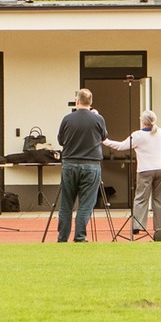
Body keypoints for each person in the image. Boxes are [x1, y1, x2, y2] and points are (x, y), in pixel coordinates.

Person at [103, 110, 161, 235]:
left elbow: (121, 146)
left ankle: (137, 225)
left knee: (141, 198)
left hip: (145, 170)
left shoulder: (138, 135)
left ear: (142, 121)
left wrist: (105, 141)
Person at [54, 88, 108, 243]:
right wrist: (97, 116)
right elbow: (104, 136)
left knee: (66, 204)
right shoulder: (98, 119)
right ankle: (80, 237)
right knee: (86, 203)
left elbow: (60, 140)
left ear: (77, 101)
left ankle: (62, 237)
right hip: (91, 164)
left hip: (70, 163)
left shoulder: (67, 118)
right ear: (90, 102)